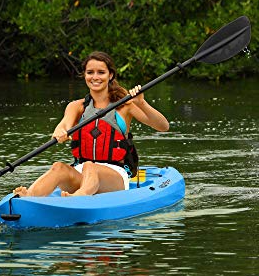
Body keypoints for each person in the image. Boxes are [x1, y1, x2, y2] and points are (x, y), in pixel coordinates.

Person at [13, 51, 169, 197]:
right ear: (84, 75)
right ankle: (29, 197)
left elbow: (163, 126)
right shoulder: (76, 106)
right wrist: (60, 132)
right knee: (59, 167)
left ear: (110, 75)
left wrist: (141, 103)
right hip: (81, 171)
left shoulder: (125, 106)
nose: (95, 77)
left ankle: (78, 198)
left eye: (101, 72)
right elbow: (63, 125)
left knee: (90, 166)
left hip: (115, 175)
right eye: (90, 72)